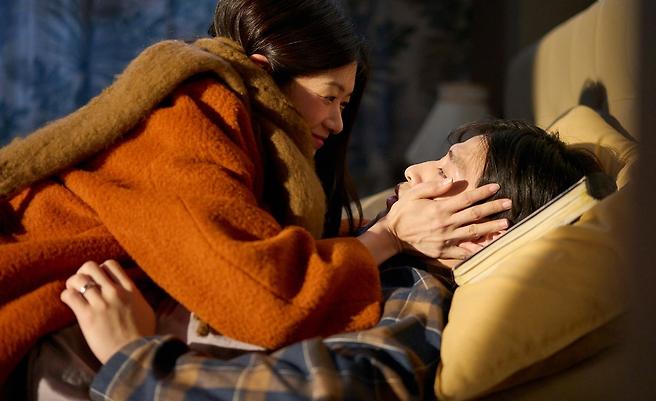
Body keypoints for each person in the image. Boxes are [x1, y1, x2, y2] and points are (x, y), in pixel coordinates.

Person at [0, 0, 511, 392]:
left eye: (345, 103)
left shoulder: (416, 293)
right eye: (329, 96)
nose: (337, 122)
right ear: (264, 75)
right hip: (43, 322)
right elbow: (259, 294)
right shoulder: (195, 113)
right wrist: (387, 236)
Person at [57, 118, 609, 400]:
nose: (414, 169)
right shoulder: (371, 239)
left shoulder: (413, 289)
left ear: (481, 230)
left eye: (444, 171)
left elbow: (344, 387)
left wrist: (136, 360)